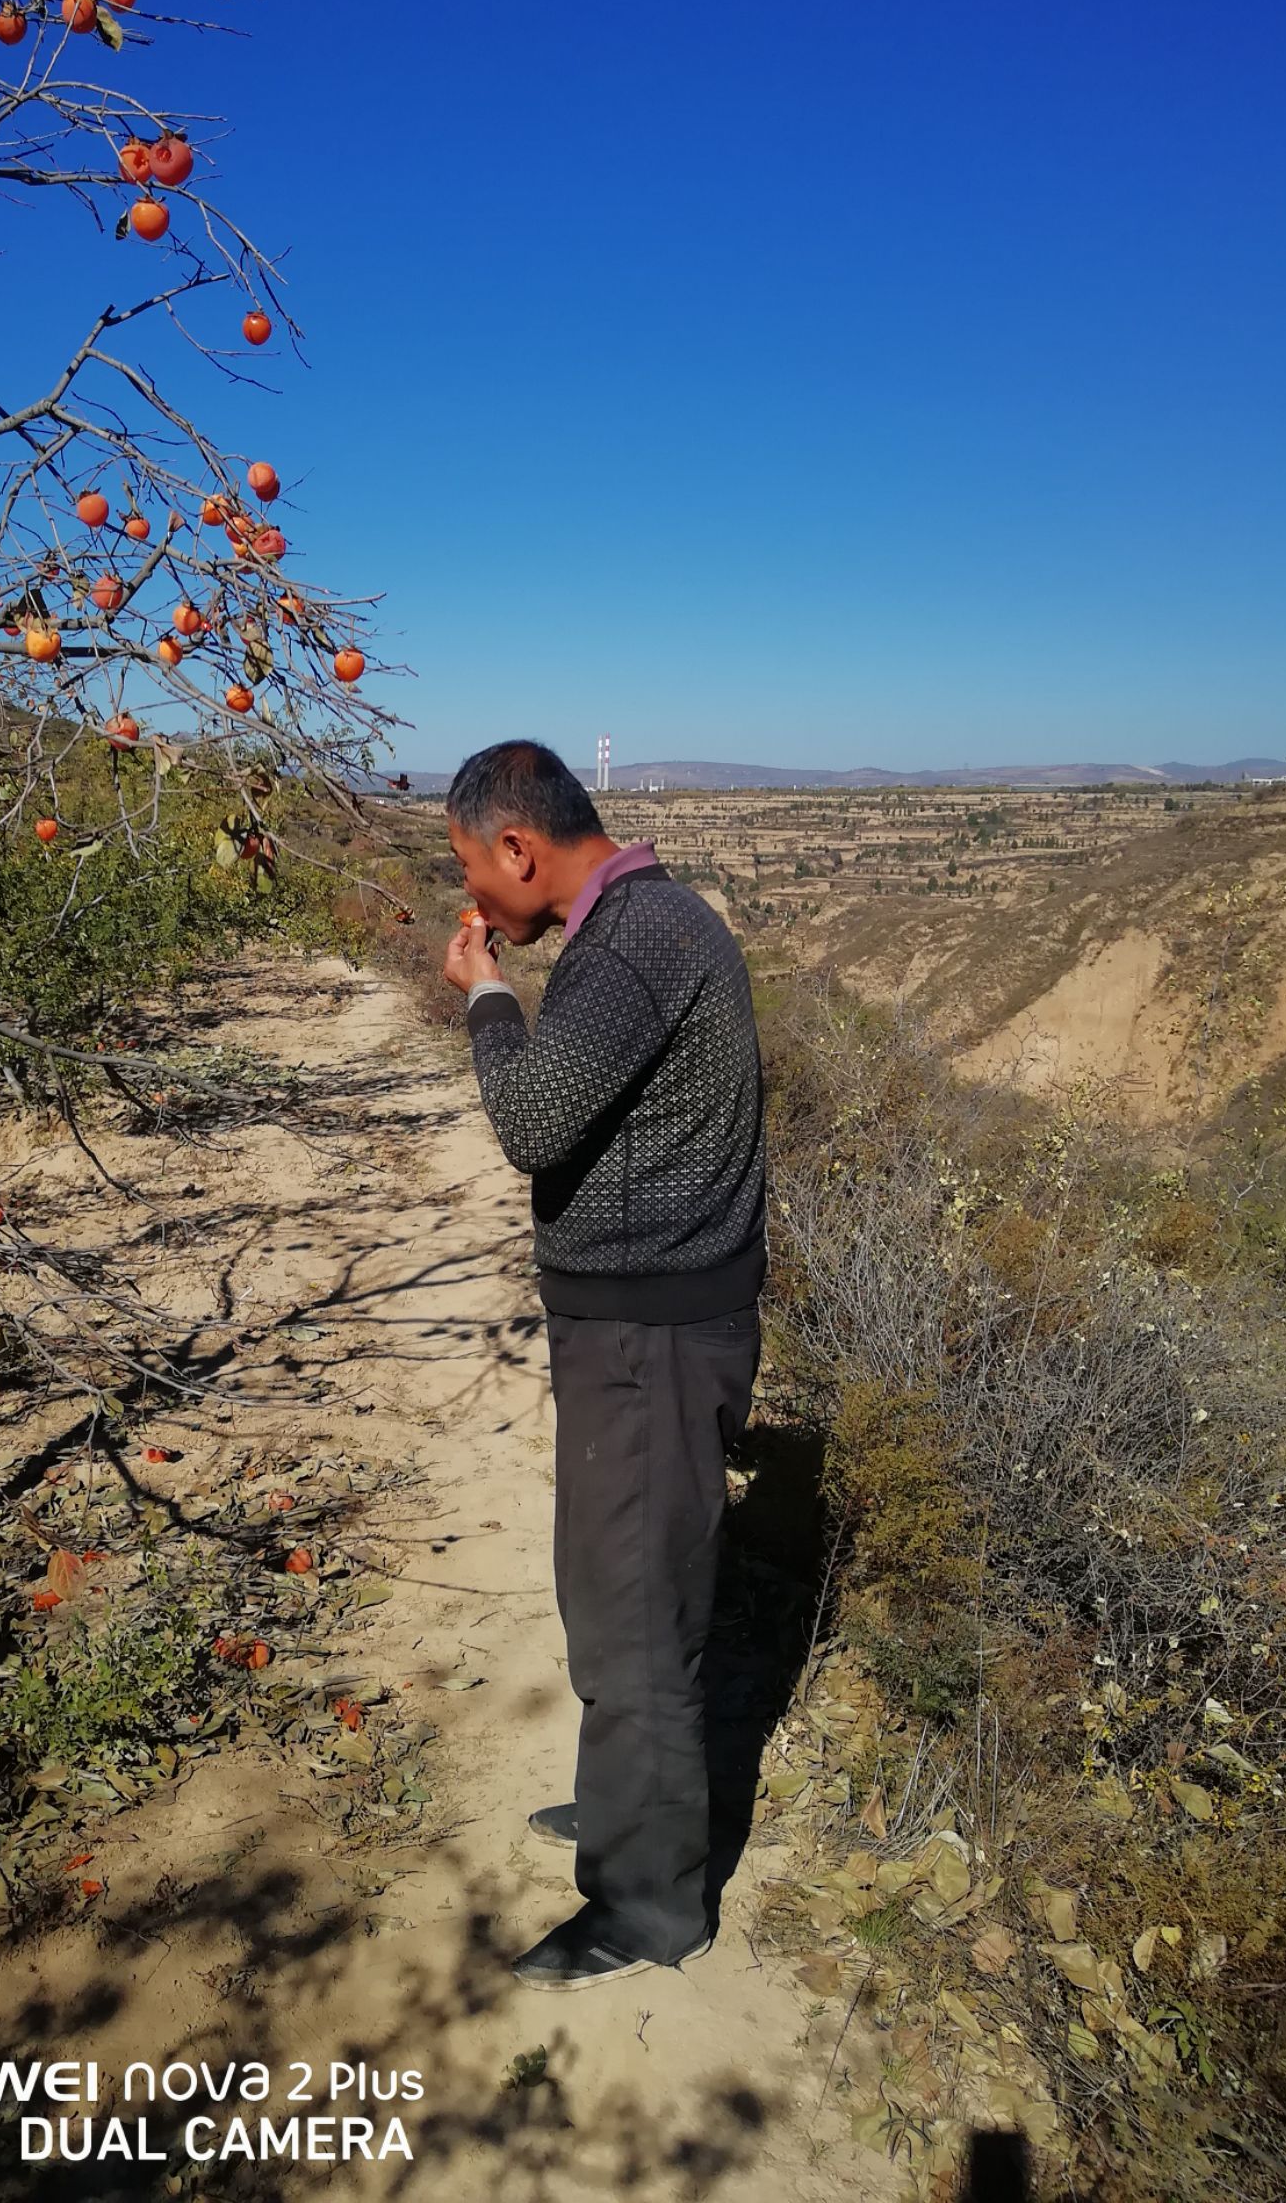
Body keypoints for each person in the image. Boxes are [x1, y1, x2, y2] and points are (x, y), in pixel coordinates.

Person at [440, 739, 768, 1992]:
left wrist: (484, 998)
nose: (475, 898)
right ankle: (632, 1803)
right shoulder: (647, 922)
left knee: (633, 1619)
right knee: (613, 1588)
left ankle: (646, 1907)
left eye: (474, 870)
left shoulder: (630, 942)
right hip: (650, 1329)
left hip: (650, 1339)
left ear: (519, 849)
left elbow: (531, 1122)